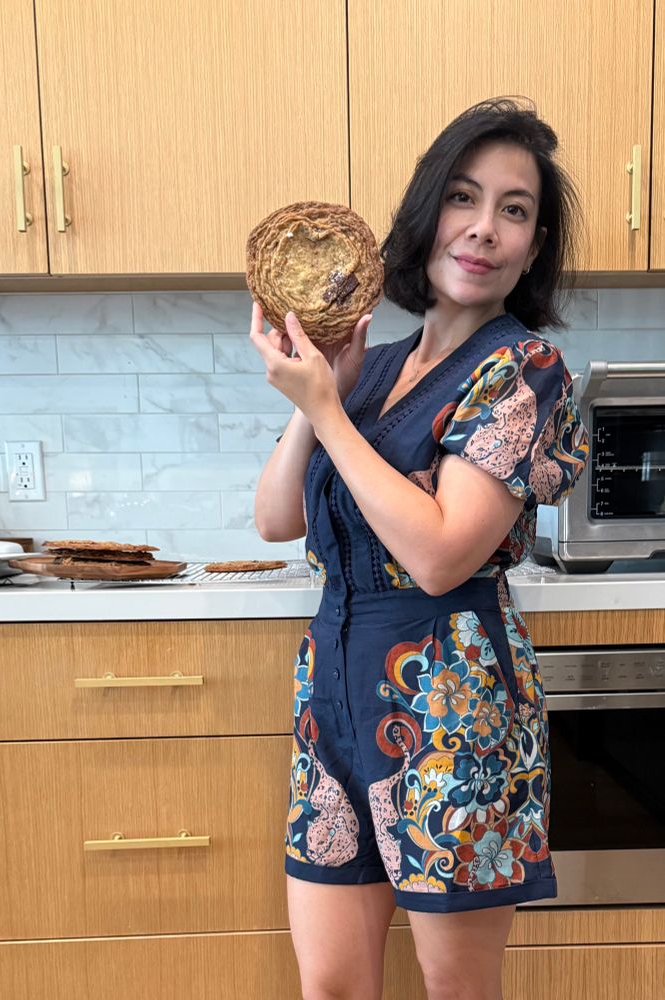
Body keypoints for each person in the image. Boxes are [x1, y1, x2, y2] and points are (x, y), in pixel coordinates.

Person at [249, 97, 589, 1000]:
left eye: (513, 211)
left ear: (532, 242)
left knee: (456, 992)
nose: (483, 229)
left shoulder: (523, 371)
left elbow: (442, 556)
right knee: (330, 986)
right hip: (334, 699)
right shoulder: (374, 362)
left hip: (457, 711)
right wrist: (316, 398)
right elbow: (277, 520)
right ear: (425, 213)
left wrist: (328, 411)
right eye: (464, 199)